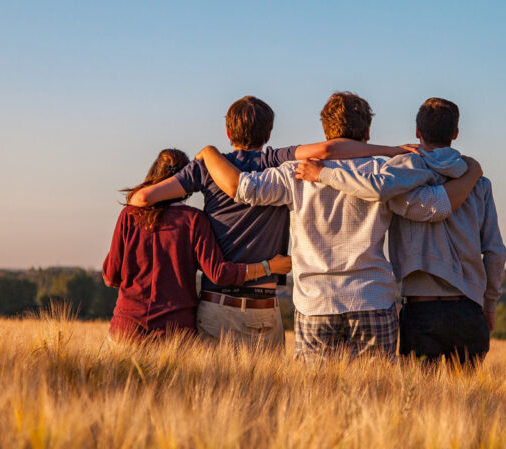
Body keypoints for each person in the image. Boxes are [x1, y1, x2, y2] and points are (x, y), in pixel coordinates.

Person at [195, 92, 483, 361]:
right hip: (372, 298)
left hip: (315, 303)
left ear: (325, 132)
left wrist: (209, 153)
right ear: (367, 132)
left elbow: (243, 189)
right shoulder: (384, 173)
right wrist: (471, 174)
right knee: (377, 398)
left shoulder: (293, 173)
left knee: (316, 399)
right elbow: (433, 207)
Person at [127, 96, 414, 348]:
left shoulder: (207, 167)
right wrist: (392, 151)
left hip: (217, 305)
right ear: (269, 132)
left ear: (228, 131)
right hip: (265, 306)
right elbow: (328, 151)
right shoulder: (277, 161)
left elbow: (141, 199)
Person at [295, 97, 506, 366]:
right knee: (467, 404)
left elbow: (377, 189)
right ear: (455, 133)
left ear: (418, 132)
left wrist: (324, 174)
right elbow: (495, 252)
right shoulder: (478, 182)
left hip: (421, 309)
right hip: (469, 309)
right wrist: (489, 304)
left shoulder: (399, 175)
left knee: (418, 402)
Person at [102, 148, 291, 342]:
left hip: (126, 329)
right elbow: (219, 274)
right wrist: (269, 266)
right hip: (175, 333)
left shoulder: (129, 216)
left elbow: (111, 277)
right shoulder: (194, 220)